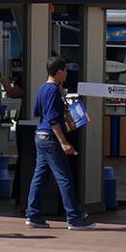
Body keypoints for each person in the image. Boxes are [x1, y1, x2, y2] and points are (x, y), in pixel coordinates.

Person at [25, 56, 93, 229]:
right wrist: (64, 142)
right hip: (51, 138)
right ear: (60, 72)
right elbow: (53, 121)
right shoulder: (53, 91)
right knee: (64, 177)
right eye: (66, 71)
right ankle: (74, 217)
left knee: (39, 177)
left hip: (40, 136)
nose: (67, 74)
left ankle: (32, 214)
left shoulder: (43, 88)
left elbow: (38, 112)